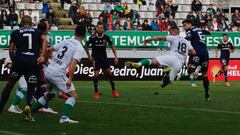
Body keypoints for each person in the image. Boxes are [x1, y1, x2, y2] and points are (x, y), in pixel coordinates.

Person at [30, 25, 87, 123]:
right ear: (85, 35)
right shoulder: (79, 47)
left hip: (48, 71)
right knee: (73, 95)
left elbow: (49, 50)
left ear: (74, 33)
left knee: (50, 95)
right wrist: (70, 79)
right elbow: (73, 63)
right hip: (57, 73)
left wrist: (46, 60)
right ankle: (64, 118)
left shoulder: (66, 41)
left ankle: (30, 112)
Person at [0, 15, 47, 114]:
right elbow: (44, 40)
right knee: (31, 86)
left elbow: (11, 50)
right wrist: (42, 55)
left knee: (10, 84)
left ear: (21, 23)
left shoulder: (15, 32)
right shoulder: (38, 31)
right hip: (32, 62)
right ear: (31, 23)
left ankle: (0, 107)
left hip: (19, 61)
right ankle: (27, 108)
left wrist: (14, 60)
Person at [125, 27, 196, 88]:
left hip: (172, 57)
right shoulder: (187, 42)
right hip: (179, 64)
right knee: (163, 84)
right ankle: (167, 73)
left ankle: (139, 64)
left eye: (170, 32)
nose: (169, 34)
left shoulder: (174, 37)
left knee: (153, 61)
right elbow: (193, 52)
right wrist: (186, 52)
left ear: (174, 33)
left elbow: (160, 38)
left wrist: (149, 39)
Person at [84, 23, 120, 99]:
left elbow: (112, 46)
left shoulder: (106, 37)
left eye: (101, 28)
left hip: (104, 58)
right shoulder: (93, 37)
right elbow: (85, 45)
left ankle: (114, 90)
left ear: (103, 29)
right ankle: (96, 91)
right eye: (98, 28)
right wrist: (89, 56)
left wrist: (116, 57)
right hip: (95, 58)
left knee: (110, 73)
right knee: (96, 74)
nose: (100, 29)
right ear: (96, 28)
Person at [182, 19, 211, 101]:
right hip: (205, 53)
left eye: (185, 25)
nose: (184, 28)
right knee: (205, 75)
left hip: (196, 52)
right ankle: (207, 94)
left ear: (189, 24)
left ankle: (196, 69)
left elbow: (188, 37)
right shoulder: (199, 29)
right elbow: (209, 33)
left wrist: (181, 40)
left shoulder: (189, 30)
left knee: (190, 70)